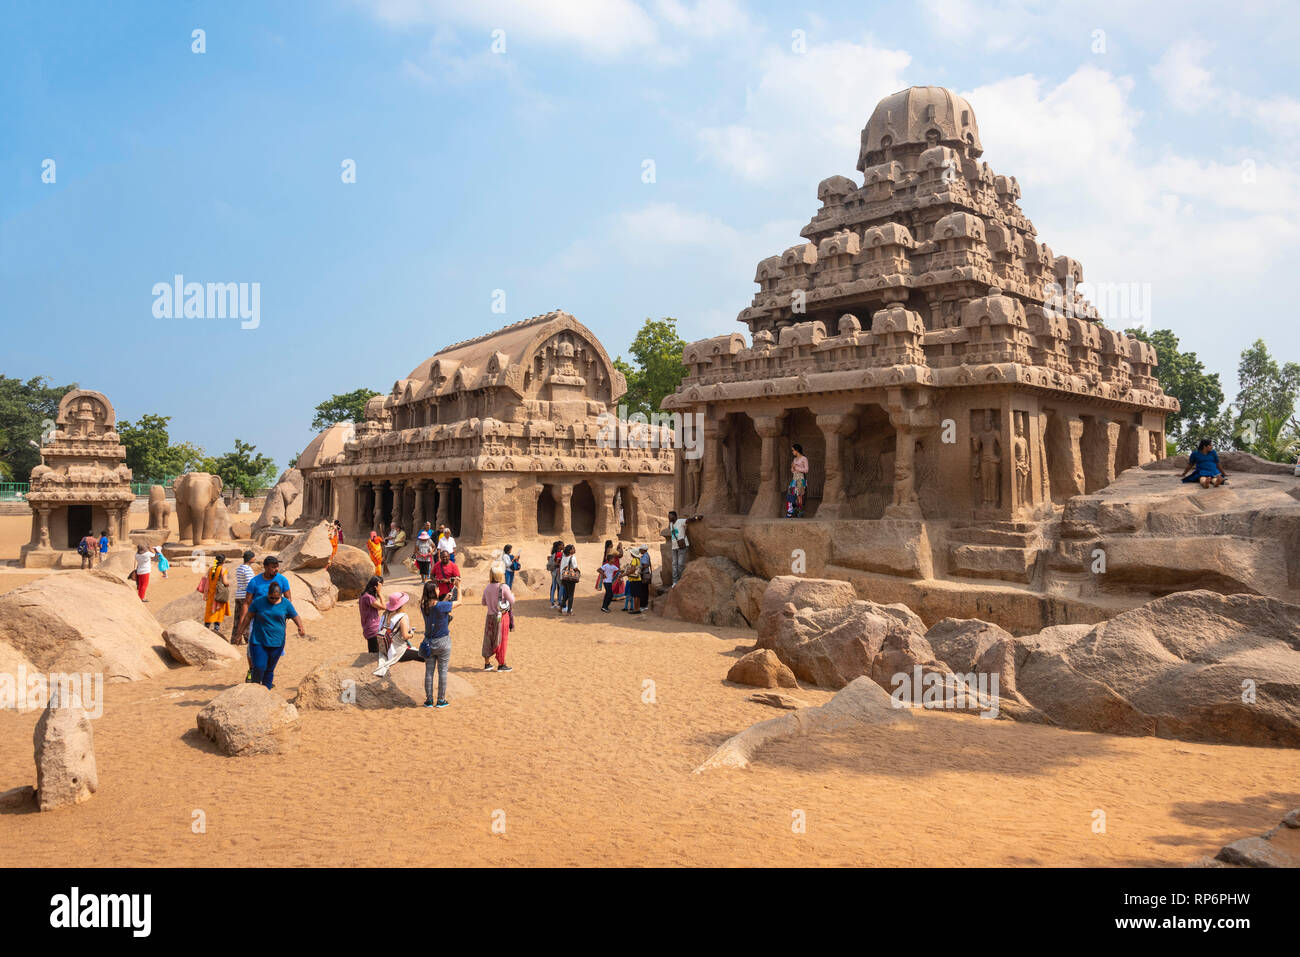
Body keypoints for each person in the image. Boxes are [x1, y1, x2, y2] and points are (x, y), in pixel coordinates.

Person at [240, 582, 305, 689]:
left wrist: (300, 627)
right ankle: (255, 687)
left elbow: (295, 616)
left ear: (280, 595)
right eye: (271, 598)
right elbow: (248, 617)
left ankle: (266, 690)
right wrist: (239, 633)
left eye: (276, 598)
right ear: (268, 594)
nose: (273, 600)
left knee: (269, 669)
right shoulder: (258, 602)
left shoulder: (286, 604)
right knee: (259, 666)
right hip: (258, 640)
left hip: (277, 642)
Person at [419, 581, 455, 707]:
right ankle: (441, 700)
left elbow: (435, 608)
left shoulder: (423, 605)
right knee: (442, 672)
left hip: (429, 642)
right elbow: (460, 602)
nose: (439, 589)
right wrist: (459, 587)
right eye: (437, 588)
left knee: (429, 672)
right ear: (434, 592)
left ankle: (429, 700)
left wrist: (445, 599)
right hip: (443, 642)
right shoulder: (441, 606)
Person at [373, 591, 420, 677]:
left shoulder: (385, 615)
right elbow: (405, 636)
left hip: (384, 649)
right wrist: (412, 634)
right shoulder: (402, 617)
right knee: (423, 655)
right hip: (396, 650)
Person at [481, 564, 515, 671]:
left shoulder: (487, 587)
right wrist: (512, 595)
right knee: (501, 639)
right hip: (501, 617)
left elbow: (483, 602)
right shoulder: (504, 587)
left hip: (490, 616)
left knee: (488, 639)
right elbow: (512, 601)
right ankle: (501, 664)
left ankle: (487, 663)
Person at [666, 510, 703, 586]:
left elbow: (689, 520)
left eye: (670, 516)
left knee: (680, 564)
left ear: (675, 516)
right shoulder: (670, 524)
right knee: (674, 564)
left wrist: (696, 518)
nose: (669, 517)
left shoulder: (680, 521)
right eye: (668, 516)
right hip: (674, 547)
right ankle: (675, 581)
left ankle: (681, 580)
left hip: (682, 546)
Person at [231, 550, 256, 645]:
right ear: (250, 558)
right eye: (254, 557)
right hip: (246, 596)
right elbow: (250, 583)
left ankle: (234, 638)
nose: (255, 558)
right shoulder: (248, 569)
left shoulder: (239, 568)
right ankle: (247, 638)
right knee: (246, 618)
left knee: (237, 618)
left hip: (239, 594)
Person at [202, 555, 231, 633]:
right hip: (219, 595)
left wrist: (205, 594)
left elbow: (207, 581)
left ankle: (206, 628)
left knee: (209, 612)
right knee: (218, 612)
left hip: (210, 595)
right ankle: (216, 629)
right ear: (223, 561)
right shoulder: (223, 569)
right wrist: (228, 584)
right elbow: (225, 582)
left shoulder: (211, 569)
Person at [359, 575, 384, 653]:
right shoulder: (368, 597)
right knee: (375, 655)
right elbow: (383, 607)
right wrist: (380, 594)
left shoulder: (364, 595)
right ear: (376, 586)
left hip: (370, 628)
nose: (381, 588)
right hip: (373, 629)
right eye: (381, 586)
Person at [787, 443, 810, 517]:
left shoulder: (804, 458)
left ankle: (800, 512)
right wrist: (793, 468)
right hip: (794, 478)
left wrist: (797, 468)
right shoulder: (794, 459)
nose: (792, 452)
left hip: (801, 478)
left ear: (797, 450)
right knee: (790, 493)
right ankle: (789, 513)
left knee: (799, 495)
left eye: (793, 450)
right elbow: (792, 470)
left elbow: (806, 470)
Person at [558, 544, 580, 615]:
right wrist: (578, 572)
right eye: (573, 548)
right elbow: (575, 568)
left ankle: (561, 607)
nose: (575, 549)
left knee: (566, 594)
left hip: (564, 577)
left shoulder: (564, 557)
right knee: (571, 595)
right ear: (570, 551)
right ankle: (569, 611)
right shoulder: (572, 557)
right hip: (570, 578)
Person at [621, 548, 642, 613]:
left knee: (635, 595)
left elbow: (632, 570)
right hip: (638, 579)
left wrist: (624, 574)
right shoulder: (638, 559)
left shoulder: (634, 560)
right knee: (638, 595)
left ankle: (635, 610)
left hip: (634, 579)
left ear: (633, 554)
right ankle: (638, 609)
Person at [546, 539, 564, 608]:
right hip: (557, 571)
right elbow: (557, 562)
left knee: (553, 586)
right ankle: (560, 602)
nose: (563, 546)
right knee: (561, 586)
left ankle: (552, 602)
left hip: (553, 571)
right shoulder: (560, 554)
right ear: (559, 546)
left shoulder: (554, 553)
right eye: (562, 545)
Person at [637, 545, 654, 611]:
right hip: (645, 574)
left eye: (640, 549)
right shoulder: (646, 555)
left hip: (644, 575)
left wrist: (639, 569)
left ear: (643, 550)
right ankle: (645, 605)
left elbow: (645, 565)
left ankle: (643, 605)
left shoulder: (645, 556)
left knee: (643, 590)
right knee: (645, 590)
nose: (640, 550)